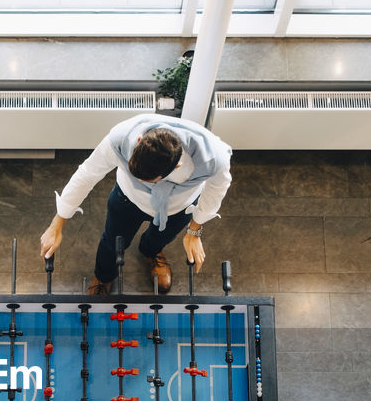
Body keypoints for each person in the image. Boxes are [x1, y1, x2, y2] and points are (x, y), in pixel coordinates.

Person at [39, 113, 233, 296]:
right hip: (127, 199)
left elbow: (216, 190)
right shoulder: (121, 137)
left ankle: (151, 253)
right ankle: (104, 276)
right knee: (112, 241)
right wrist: (57, 223)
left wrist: (194, 230)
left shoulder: (214, 158)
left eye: (149, 181)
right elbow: (87, 175)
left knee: (160, 239)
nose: (141, 182)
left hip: (178, 208)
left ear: (176, 168)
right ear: (139, 141)